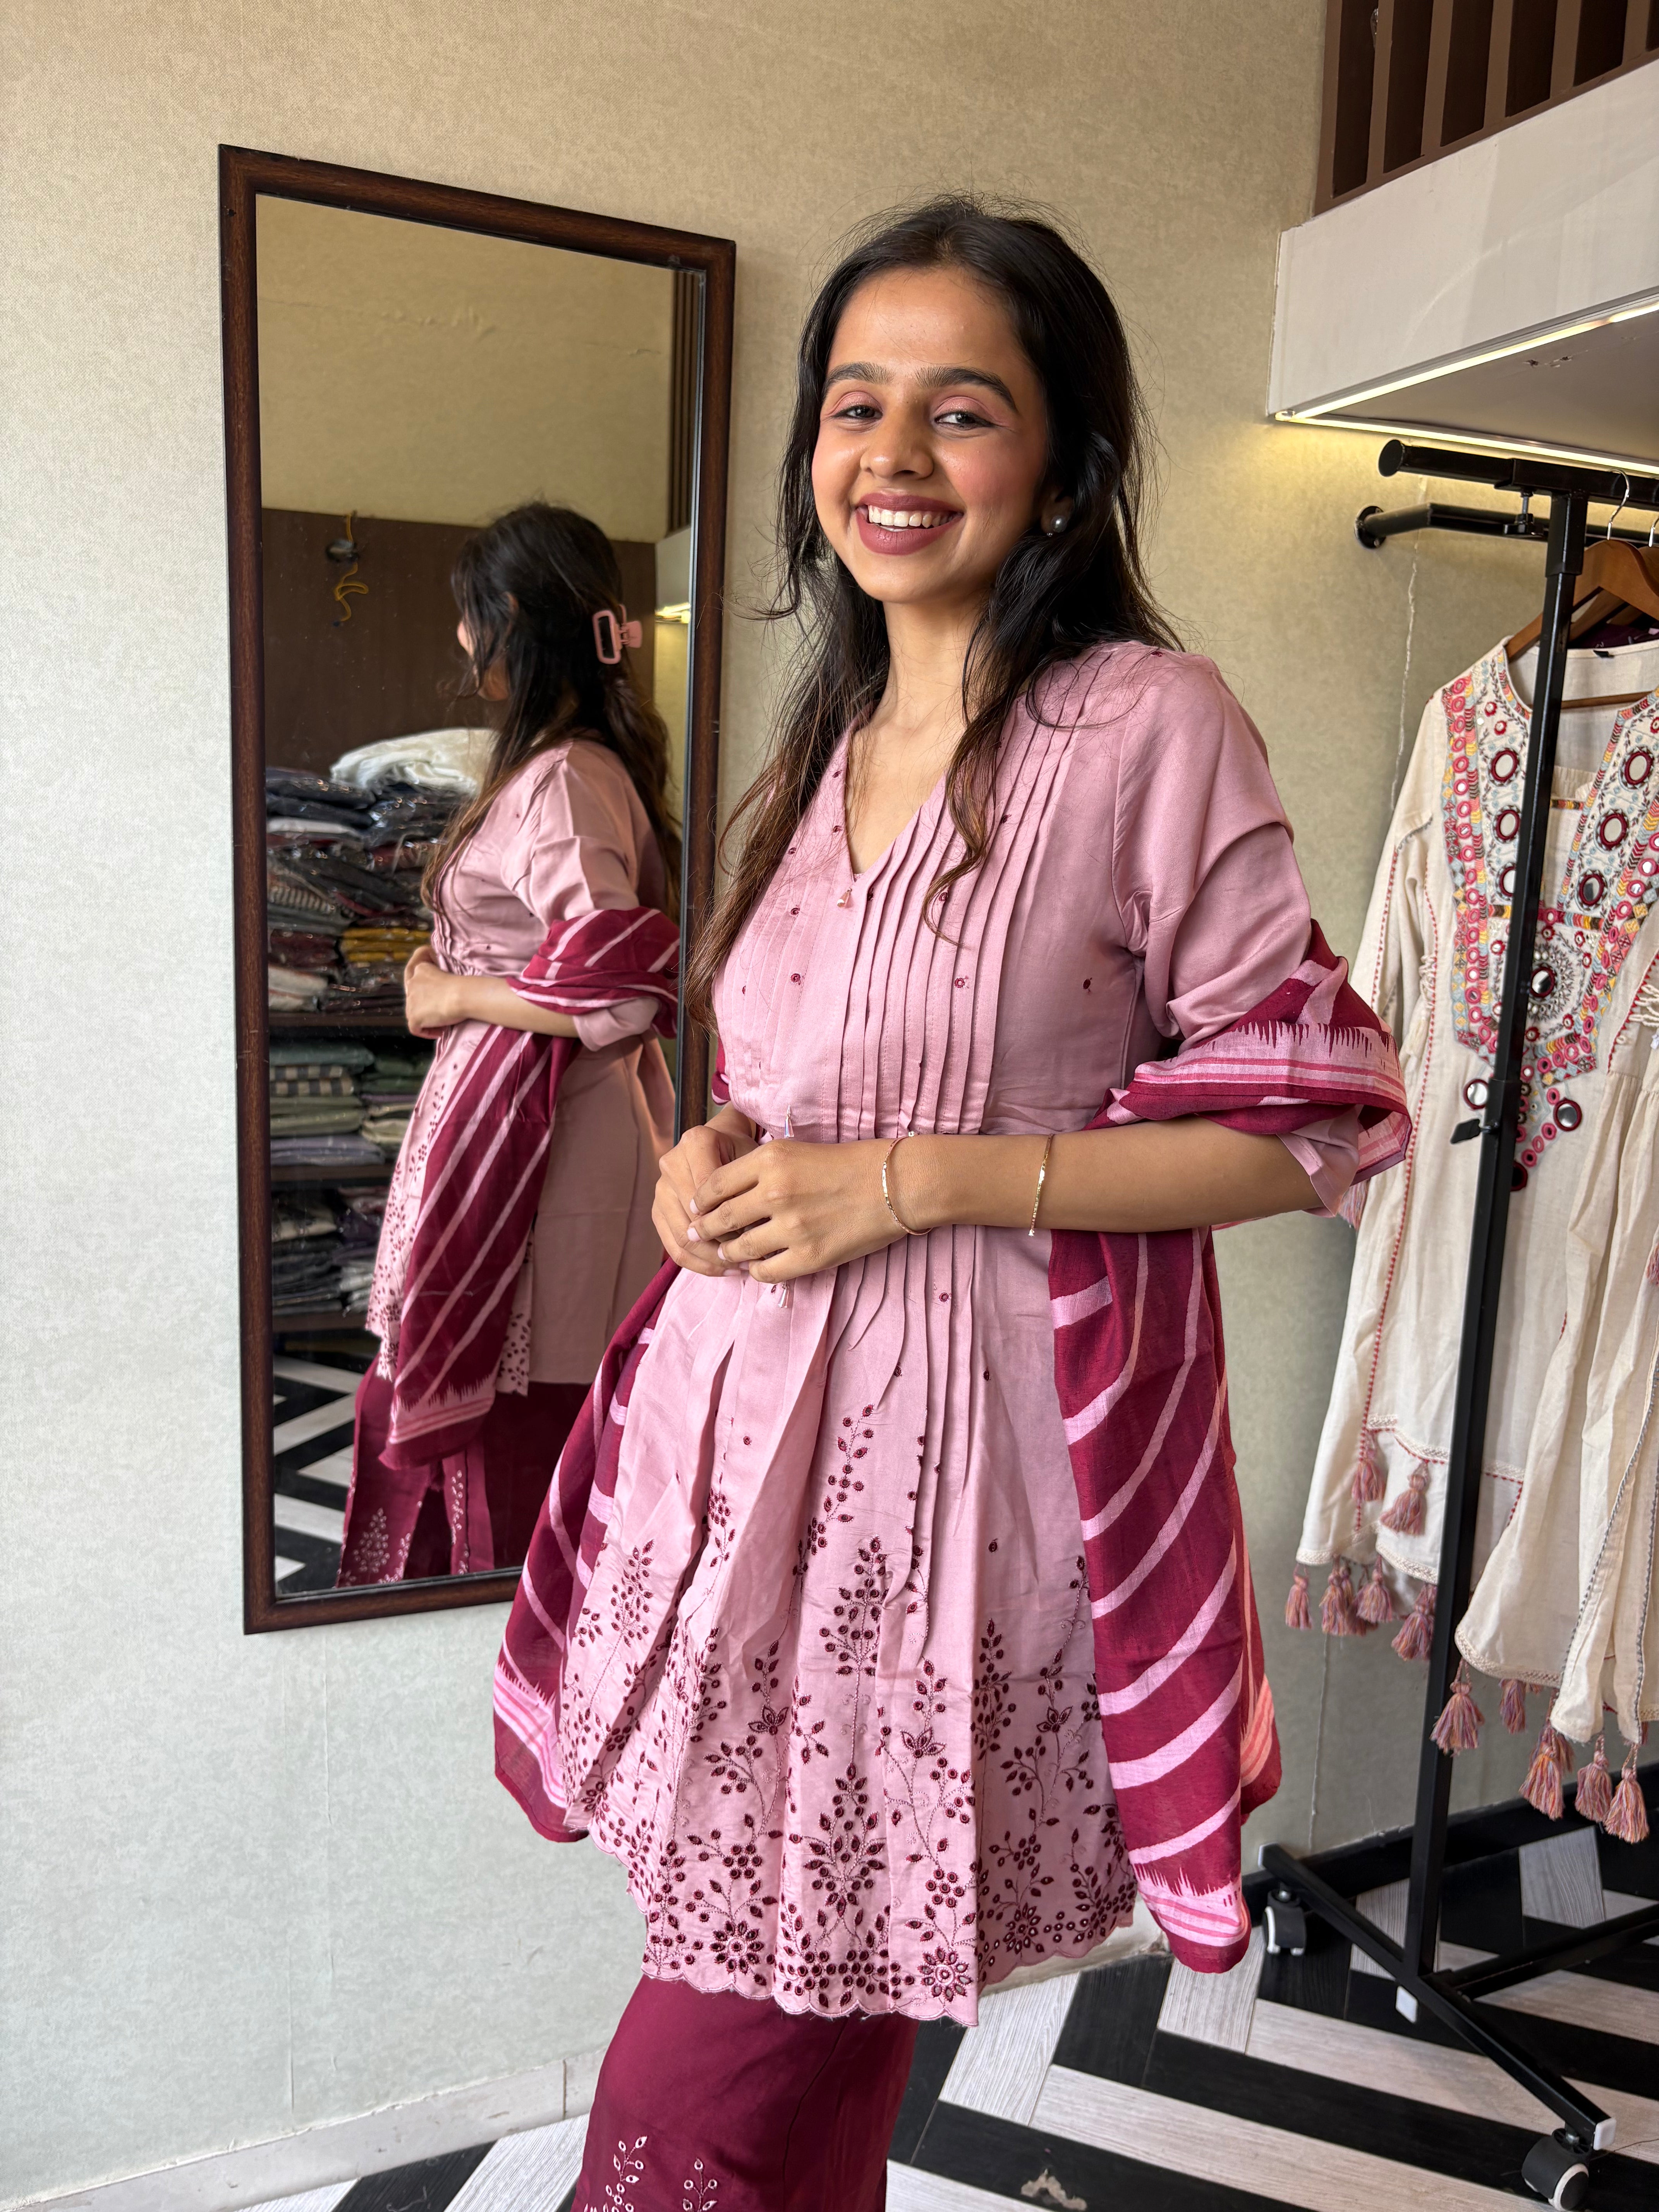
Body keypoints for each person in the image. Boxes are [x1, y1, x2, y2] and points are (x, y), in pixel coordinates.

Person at [495, 201, 1406, 2210]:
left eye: (958, 408)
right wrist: (708, 1186)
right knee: (785, 2060)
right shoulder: (826, 747)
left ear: (1064, 463)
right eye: (853, 405)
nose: (888, 454)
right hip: (740, 1480)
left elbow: (1313, 1109)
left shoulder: (1139, 729)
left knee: (697, 2095)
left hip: (941, 1507)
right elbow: (805, 1095)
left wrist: (906, 1186)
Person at [336, 503, 681, 1586]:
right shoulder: (550, 769)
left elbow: (623, 992)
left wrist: (453, 994)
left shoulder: (566, 780)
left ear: (513, 620)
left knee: (524, 1417)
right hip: (515, 1124)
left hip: (551, 1145)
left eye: (468, 614)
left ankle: (494, 1622)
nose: (459, 637)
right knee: (501, 1396)